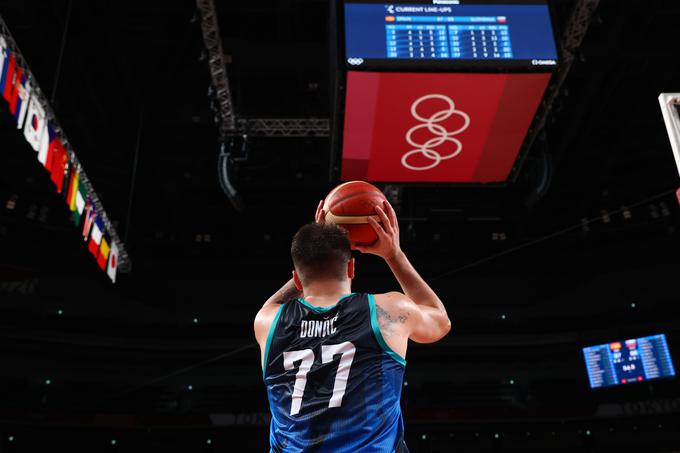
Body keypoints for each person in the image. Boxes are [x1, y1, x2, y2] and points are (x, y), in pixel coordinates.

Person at [254, 199, 451, 452]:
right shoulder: (387, 310)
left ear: (296, 278)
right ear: (351, 267)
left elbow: (272, 303)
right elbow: (439, 321)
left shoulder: (268, 323)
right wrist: (393, 254)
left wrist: (319, 240)